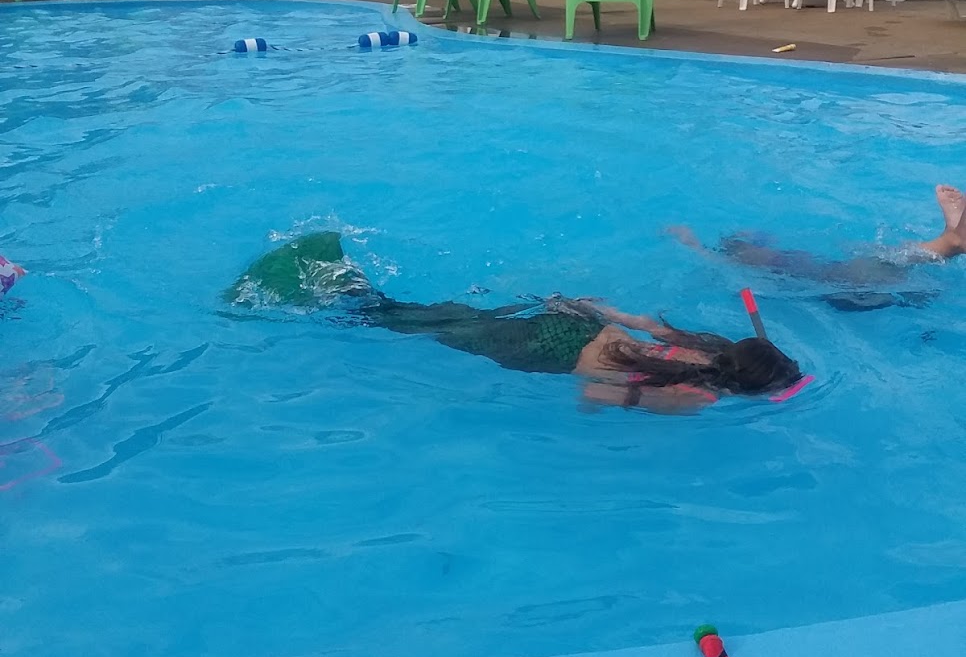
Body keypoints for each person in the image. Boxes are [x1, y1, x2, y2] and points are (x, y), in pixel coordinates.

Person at [226, 232, 803, 413]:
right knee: (419, 327)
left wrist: (594, 309)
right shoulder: (697, 397)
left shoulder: (711, 345)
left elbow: (641, 321)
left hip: (574, 321)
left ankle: (341, 280)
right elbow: (598, 394)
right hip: (550, 351)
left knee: (452, 317)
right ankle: (330, 296)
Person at [668, 183, 966, 312]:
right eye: (747, 247)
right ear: (740, 256)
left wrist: (747, 238)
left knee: (885, 259)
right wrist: (691, 243)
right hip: (845, 286)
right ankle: (951, 241)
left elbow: (761, 239)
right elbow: (714, 261)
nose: (757, 247)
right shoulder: (757, 267)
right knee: (884, 261)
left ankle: (950, 236)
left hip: (844, 281)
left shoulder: (772, 261)